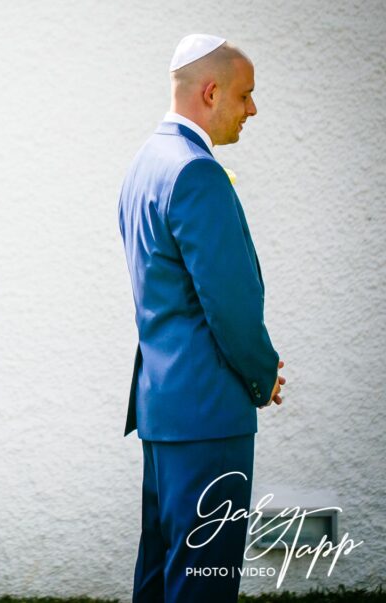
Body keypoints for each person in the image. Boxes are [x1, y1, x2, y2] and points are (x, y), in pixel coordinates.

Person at [117, 35, 287, 602]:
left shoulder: (146, 162)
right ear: (212, 92)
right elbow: (230, 305)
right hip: (208, 414)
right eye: (246, 95)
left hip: (163, 407)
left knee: (161, 570)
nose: (253, 109)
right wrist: (262, 375)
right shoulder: (196, 173)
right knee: (202, 583)